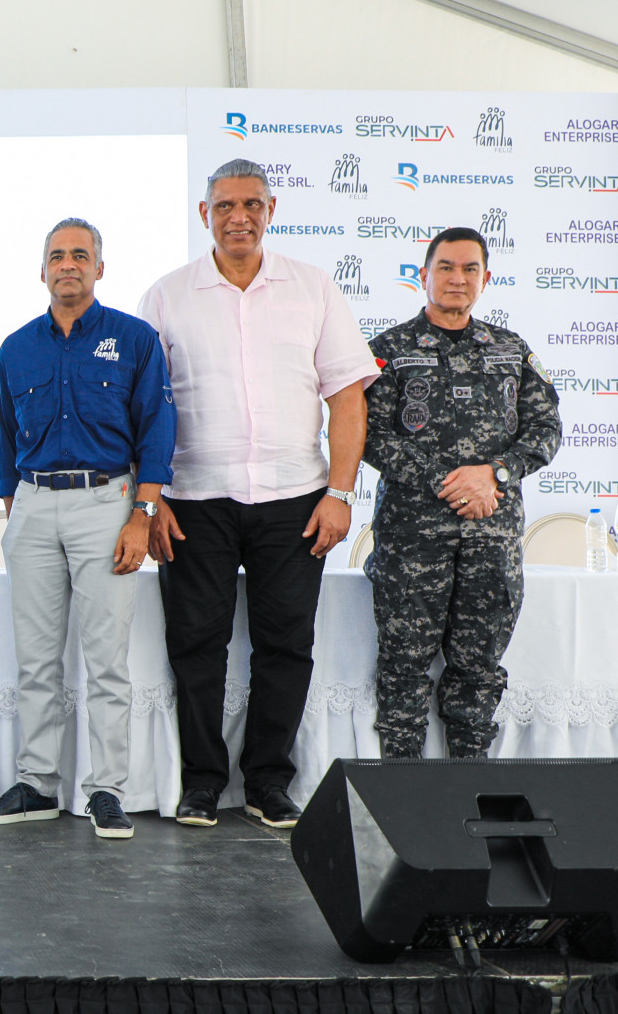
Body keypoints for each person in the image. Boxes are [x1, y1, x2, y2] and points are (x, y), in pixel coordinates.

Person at [137, 159, 379, 829]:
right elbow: (143, 406)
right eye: (224, 205)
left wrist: (340, 493)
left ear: (272, 210)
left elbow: (347, 397)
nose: (238, 217)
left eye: (251, 204)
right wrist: (151, 502)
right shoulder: (167, 295)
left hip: (295, 497)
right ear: (204, 214)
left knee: (286, 645)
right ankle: (201, 784)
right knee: (196, 646)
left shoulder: (314, 287)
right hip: (194, 498)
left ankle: (268, 782)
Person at [0, 219, 175, 839]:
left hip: (107, 504)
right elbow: (4, 432)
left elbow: (157, 426)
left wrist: (142, 514)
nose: (68, 264)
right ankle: (36, 785)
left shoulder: (134, 338)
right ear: (42, 271)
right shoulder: (16, 348)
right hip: (33, 505)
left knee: (105, 663)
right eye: (57, 256)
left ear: (99, 269)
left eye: (80, 255)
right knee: (36, 662)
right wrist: (16, 504)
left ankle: (106, 790)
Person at [363, 227, 560, 758]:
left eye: (469, 268)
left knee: (479, 670)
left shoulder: (511, 350)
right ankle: (401, 789)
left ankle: (470, 782)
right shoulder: (388, 351)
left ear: (486, 278)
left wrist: (495, 473)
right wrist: (446, 481)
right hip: (413, 538)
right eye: (445, 267)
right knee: (404, 667)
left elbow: (545, 428)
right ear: (423, 275)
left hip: (491, 537)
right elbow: (369, 436)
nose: (457, 278)